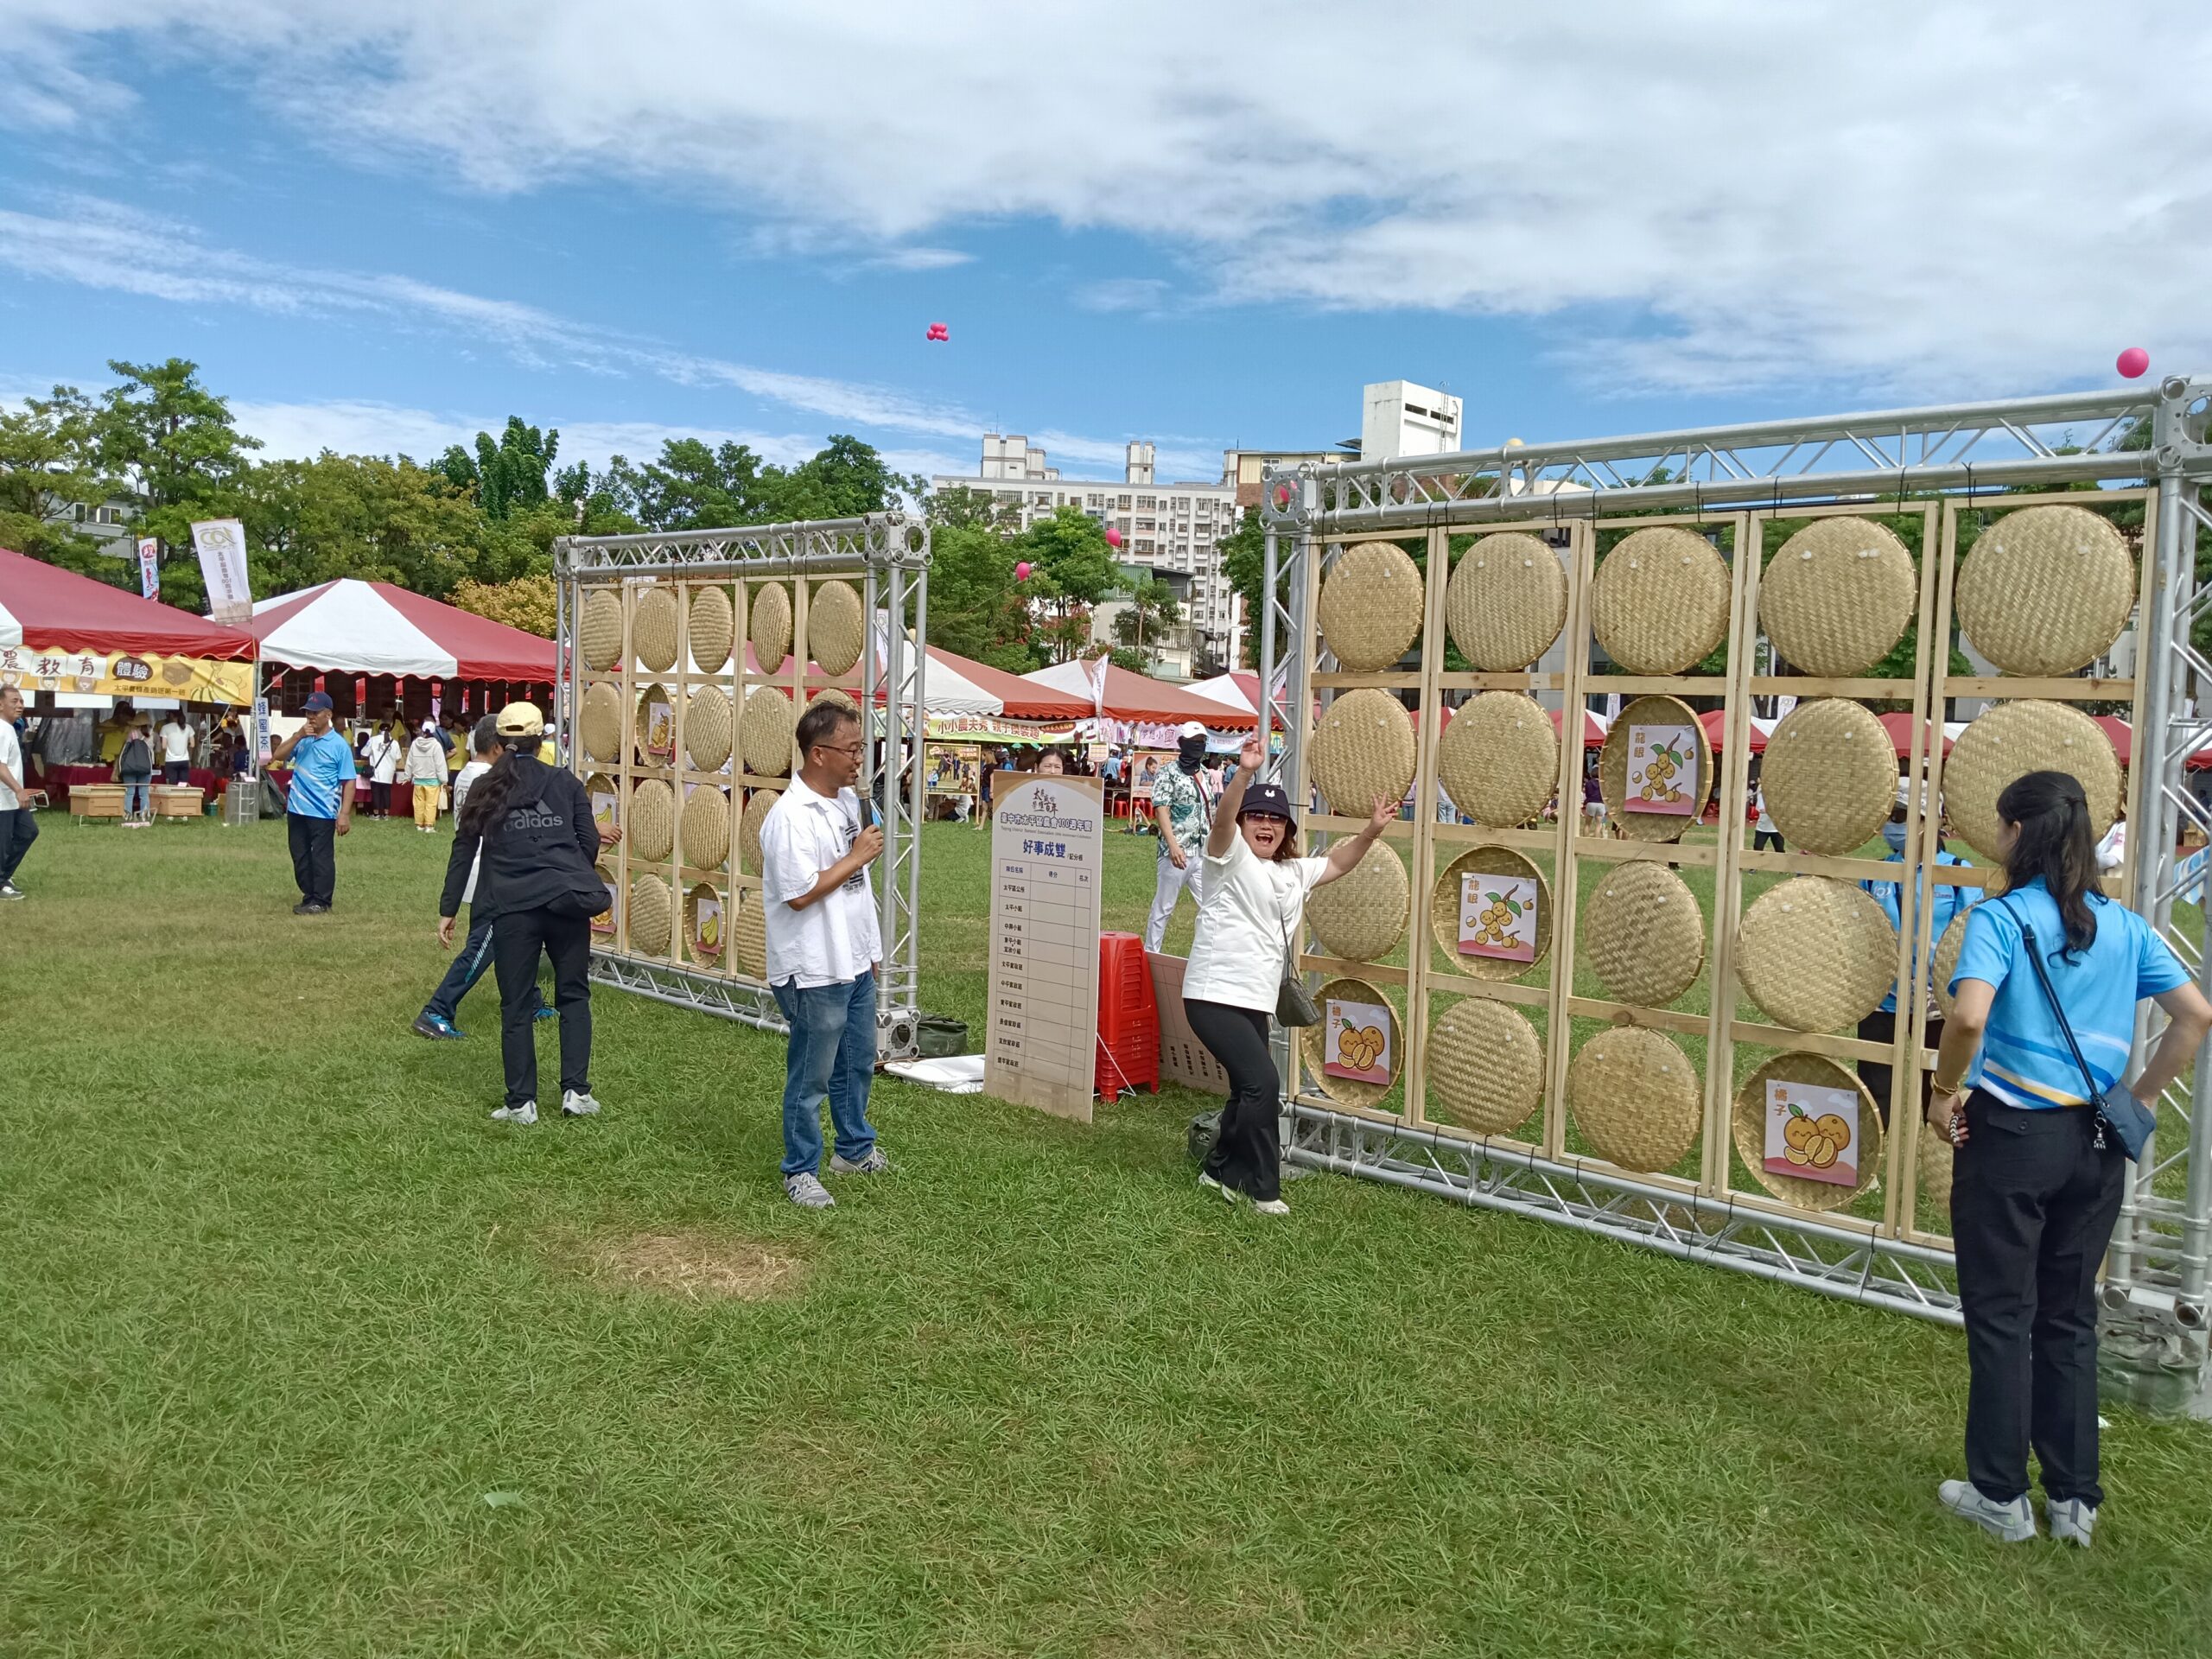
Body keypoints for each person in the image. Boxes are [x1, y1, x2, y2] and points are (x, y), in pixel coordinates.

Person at [1927, 770, 2211, 1547]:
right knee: (2068, 1316)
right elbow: (2194, 1016)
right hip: (2096, 1147)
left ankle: (1999, 1494)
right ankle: (2074, 1500)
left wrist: (1944, 1088)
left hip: (2013, 1139)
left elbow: (1969, 1014)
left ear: (2018, 832)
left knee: (2000, 1315)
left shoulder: (2002, 920)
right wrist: (2144, 1097)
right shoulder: (2126, 927)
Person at [1185, 736, 1395, 1213]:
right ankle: (1261, 1187)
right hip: (1213, 993)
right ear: (1244, 824)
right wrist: (1243, 773)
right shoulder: (1227, 858)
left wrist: (1370, 832)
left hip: (1255, 998)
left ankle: (1217, 1170)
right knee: (1263, 1085)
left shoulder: (1293, 872)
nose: (1267, 824)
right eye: (1257, 816)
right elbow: (1220, 823)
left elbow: (1340, 862)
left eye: (1276, 819)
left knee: (1246, 1088)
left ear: (1287, 831)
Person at [439, 702, 605, 1125]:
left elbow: (464, 849)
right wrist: (565, 873)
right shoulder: (564, 782)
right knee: (573, 995)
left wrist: (449, 909)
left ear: (498, 742)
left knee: (515, 1005)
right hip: (567, 904)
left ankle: (521, 1103)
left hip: (512, 908)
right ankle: (576, 1093)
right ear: (542, 738)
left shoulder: (485, 786)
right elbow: (588, 841)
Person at [760, 699, 889, 1209]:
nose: (859, 759)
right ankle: (800, 1169)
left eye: (861, 748)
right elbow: (799, 892)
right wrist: (854, 854)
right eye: (852, 749)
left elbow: (859, 888)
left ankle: (854, 1148)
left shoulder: (845, 805)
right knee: (812, 1075)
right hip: (812, 966)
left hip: (851, 960)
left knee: (857, 1062)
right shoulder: (789, 817)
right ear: (818, 754)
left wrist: (871, 950)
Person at [416, 715, 586, 1040]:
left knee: (520, 941)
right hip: (497, 879)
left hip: (485, 875)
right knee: (483, 947)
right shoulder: (497, 781)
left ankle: (531, 1001)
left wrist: (449, 904)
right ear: (499, 747)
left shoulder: (469, 775)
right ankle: (437, 1009)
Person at [1859, 783, 1978, 1126]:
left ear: (1929, 819)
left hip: (1937, 1000)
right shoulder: (1875, 872)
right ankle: (1871, 1154)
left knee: (1938, 1084)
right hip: (1883, 998)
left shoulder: (1957, 871)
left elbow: (1969, 935)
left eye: (1900, 816)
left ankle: (1932, 1153)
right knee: (1874, 1084)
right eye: (1888, 817)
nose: (1891, 826)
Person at [270, 691, 355, 913]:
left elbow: (349, 781)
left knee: (321, 857)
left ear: (328, 714)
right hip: (297, 809)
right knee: (299, 854)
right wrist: (297, 736)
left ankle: (322, 900)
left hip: (323, 811)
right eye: (308, 712)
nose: (311, 717)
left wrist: (344, 813)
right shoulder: (303, 738)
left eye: (315, 713)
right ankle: (309, 895)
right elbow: (278, 755)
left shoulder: (339, 745)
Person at [1146, 721, 1219, 952]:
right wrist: (1173, 845)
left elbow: (1211, 812)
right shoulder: (1167, 773)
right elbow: (1161, 809)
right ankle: (1151, 952)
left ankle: (1209, 952)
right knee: (1164, 907)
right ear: (1181, 744)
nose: (1198, 747)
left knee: (1210, 906)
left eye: (1202, 742)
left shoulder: (1206, 774)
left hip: (1203, 852)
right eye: (1193, 742)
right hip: (1176, 853)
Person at [0, 685, 36, 899]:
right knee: (3, 843)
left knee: (28, 832)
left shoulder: (10, 728)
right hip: (4, 799)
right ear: (1, 704)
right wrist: (18, 790)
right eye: (14, 701)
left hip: (12, 799)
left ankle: (4, 875)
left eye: (21, 701)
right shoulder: (2, 730)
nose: (20, 705)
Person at [407, 721, 449, 831]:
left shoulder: (415, 743)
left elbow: (409, 761)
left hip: (418, 779)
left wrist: (408, 775)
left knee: (419, 803)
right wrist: (444, 780)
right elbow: (440, 764)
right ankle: (429, 826)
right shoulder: (436, 745)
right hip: (432, 780)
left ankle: (419, 824)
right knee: (431, 803)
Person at [116, 721, 155, 827]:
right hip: (146, 768)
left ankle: (128, 816)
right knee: (144, 793)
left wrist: (120, 769)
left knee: (130, 792)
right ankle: (144, 816)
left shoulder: (131, 734)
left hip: (130, 768)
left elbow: (124, 753)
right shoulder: (151, 736)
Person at [364, 723, 399, 817]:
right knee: (386, 793)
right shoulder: (395, 743)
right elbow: (398, 758)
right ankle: (386, 814)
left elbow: (364, 753)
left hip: (376, 771)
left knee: (376, 793)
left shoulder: (373, 740)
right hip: (389, 772)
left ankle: (376, 814)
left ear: (379, 730)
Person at [157, 709, 193, 786]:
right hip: (184, 760)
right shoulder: (188, 727)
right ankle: (181, 797)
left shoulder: (165, 728)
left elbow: (163, 746)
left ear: (172, 715)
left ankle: (174, 798)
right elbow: (192, 745)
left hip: (171, 761)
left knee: (172, 786)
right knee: (182, 785)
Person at [1751, 771, 1783, 853]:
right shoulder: (1761, 789)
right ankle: (1753, 866)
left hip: (1776, 828)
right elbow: (1760, 807)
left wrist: (1769, 810)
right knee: (1757, 849)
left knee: (1780, 850)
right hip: (1762, 828)